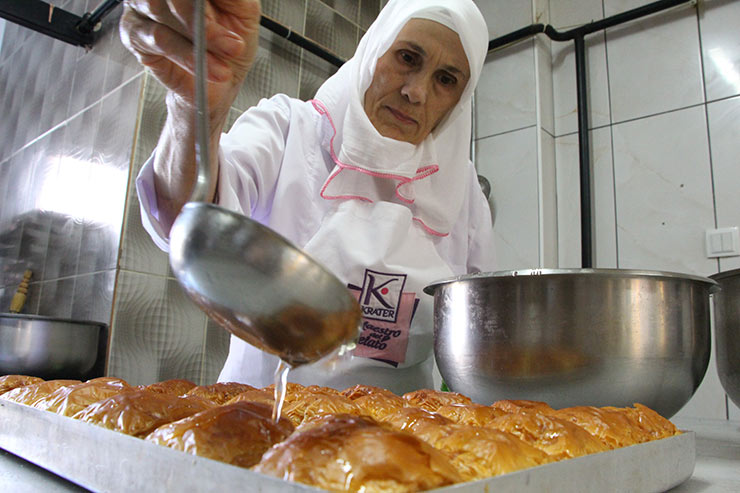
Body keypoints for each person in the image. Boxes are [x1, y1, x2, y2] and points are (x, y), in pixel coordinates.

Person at [120, 0, 496, 395]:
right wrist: (193, 108)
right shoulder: (289, 129)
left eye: (446, 80)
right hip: (263, 414)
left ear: (458, 102)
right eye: (407, 57)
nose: (416, 92)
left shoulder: (462, 191)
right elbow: (183, 216)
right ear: (375, 50)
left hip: (405, 427)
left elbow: (482, 329)